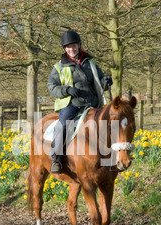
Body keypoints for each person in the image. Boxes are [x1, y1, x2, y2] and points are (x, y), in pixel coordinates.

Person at [47, 30, 113, 173]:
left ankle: (114, 155)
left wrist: (106, 81)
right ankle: (56, 157)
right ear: (65, 49)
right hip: (72, 104)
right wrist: (66, 90)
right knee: (63, 125)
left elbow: (100, 78)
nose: (72, 49)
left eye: (74, 46)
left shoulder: (90, 63)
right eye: (69, 47)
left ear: (79, 46)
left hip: (93, 102)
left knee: (112, 122)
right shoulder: (59, 67)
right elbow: (52, 86)